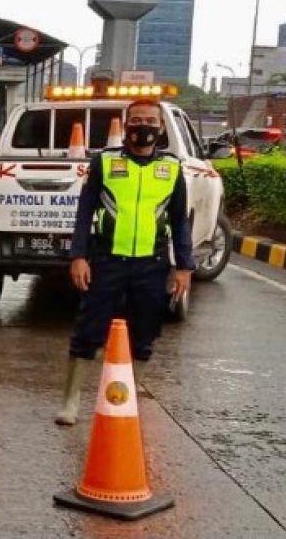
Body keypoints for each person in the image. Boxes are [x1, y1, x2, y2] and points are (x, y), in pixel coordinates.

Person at [54, 98, 195, 426]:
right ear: (125, 124)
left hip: (152, 262)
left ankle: (124, 399)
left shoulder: (171, 169)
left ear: (160, 128)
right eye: (136, 120)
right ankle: (71, 401)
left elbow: (179, 221)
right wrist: (78, 256)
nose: (142, 126)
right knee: (88, 331)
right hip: (106, 260)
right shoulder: (105, 162)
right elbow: (84, 212)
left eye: (150, 120)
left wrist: (184, 267)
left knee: (145, 335)